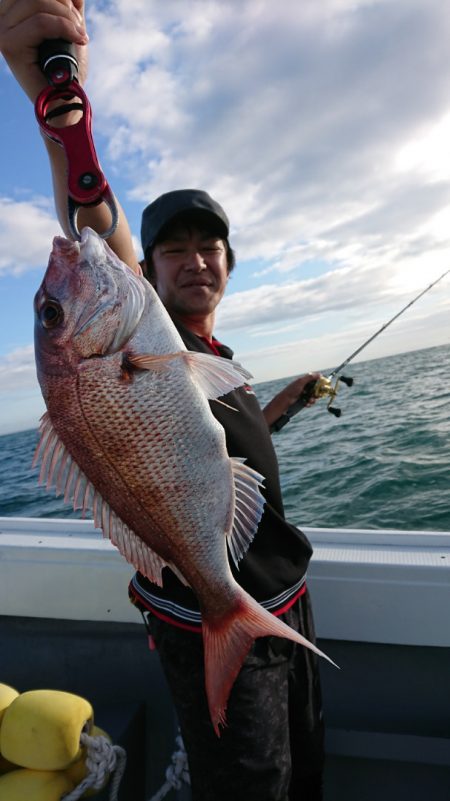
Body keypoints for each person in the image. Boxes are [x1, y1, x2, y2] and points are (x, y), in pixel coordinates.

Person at [0, 3, 325, 799]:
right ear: (145, 266)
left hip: (281, 595)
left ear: (229, 263)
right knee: (249, 787)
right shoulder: (143, 334)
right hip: (213, 609)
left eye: (207, 246)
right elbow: (90, 217)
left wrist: (286, 402)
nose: (194, 261)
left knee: (303, 771)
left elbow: (228, 443)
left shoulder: (211, 359)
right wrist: (46, 97)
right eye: (171, 249)